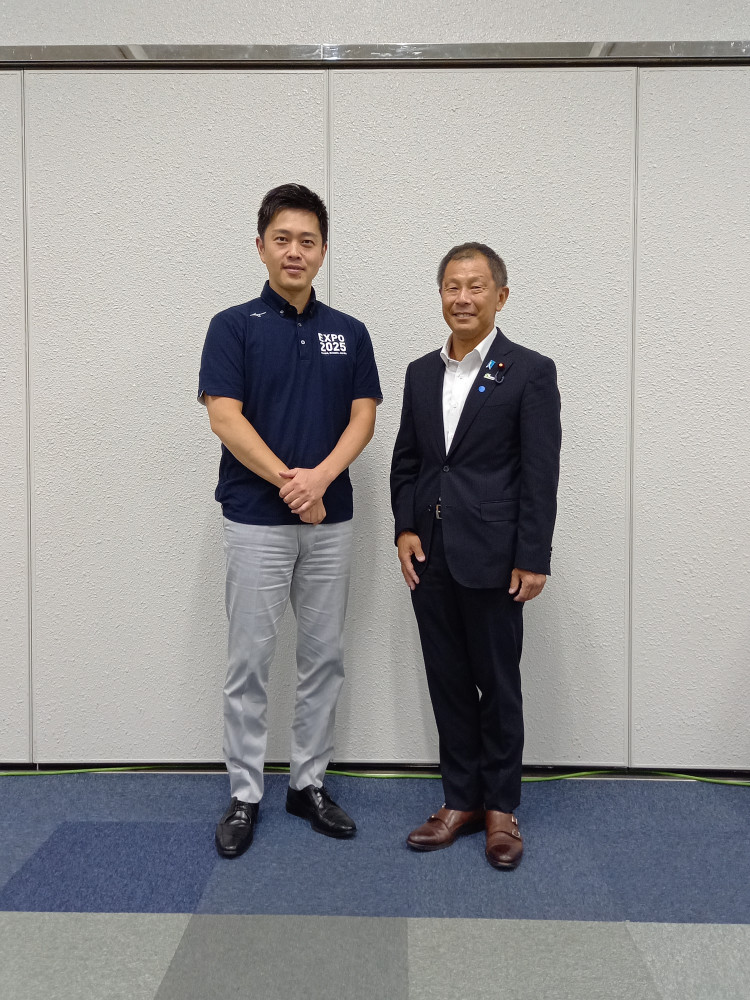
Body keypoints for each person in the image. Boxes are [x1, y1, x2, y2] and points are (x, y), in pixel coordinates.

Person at [199, 183, 381, 858]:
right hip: (255, 520)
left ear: (323, 250)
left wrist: (322, 479)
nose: (295, 252)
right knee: (249, 657)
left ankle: (308, 784)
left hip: (331, 523)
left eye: (307, 240)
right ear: (261, 247)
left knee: (323, 656)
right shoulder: (233, 326)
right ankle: (245, 794)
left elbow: (364, 415)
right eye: (282, 239)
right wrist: (289, 482)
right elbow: (224, 416)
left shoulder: (350, 332)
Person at [390, 242, 561, 870]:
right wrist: (404, 528)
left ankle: (500, 810)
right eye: (452, 287)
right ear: (440, 296)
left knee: (499, 684)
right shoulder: (420, 372)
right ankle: (459, 800)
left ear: (501, 296)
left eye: (476, 286)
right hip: (429, 557)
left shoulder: (529, 371)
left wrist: (533, 556)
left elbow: (540, 473)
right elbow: (408, 459)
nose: (463, 297)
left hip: (495, 557)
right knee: (449, 683)